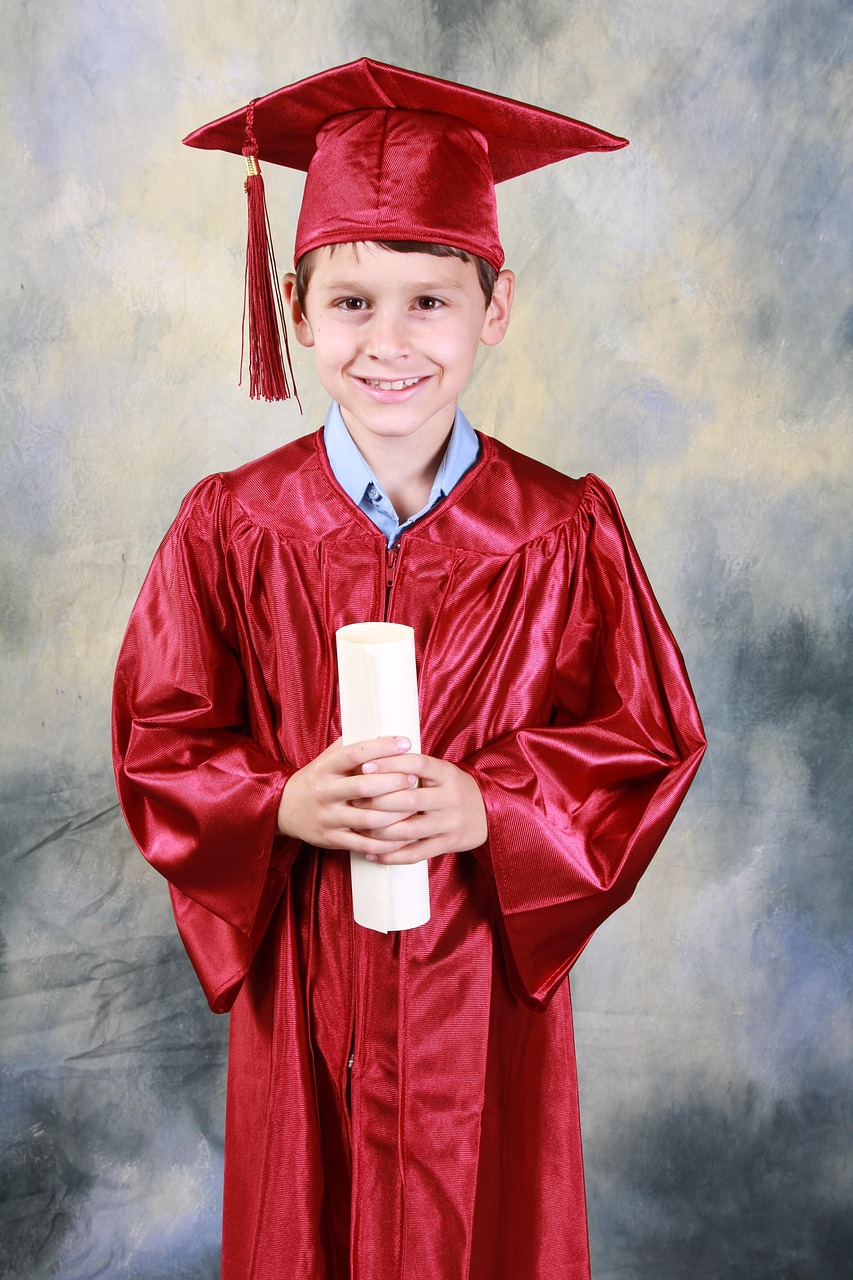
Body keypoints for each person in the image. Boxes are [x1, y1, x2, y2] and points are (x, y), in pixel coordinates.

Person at [112, 59, 706, 1280]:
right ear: (297, 305)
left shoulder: (561, 526)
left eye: (430, 302)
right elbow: (159, 738)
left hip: (475, 990)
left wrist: (497, 803)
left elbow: (646, 737)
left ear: (496, 308)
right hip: (308, 986)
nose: (389, 342)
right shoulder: (232, 524)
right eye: (352, 303)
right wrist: (275, 802)